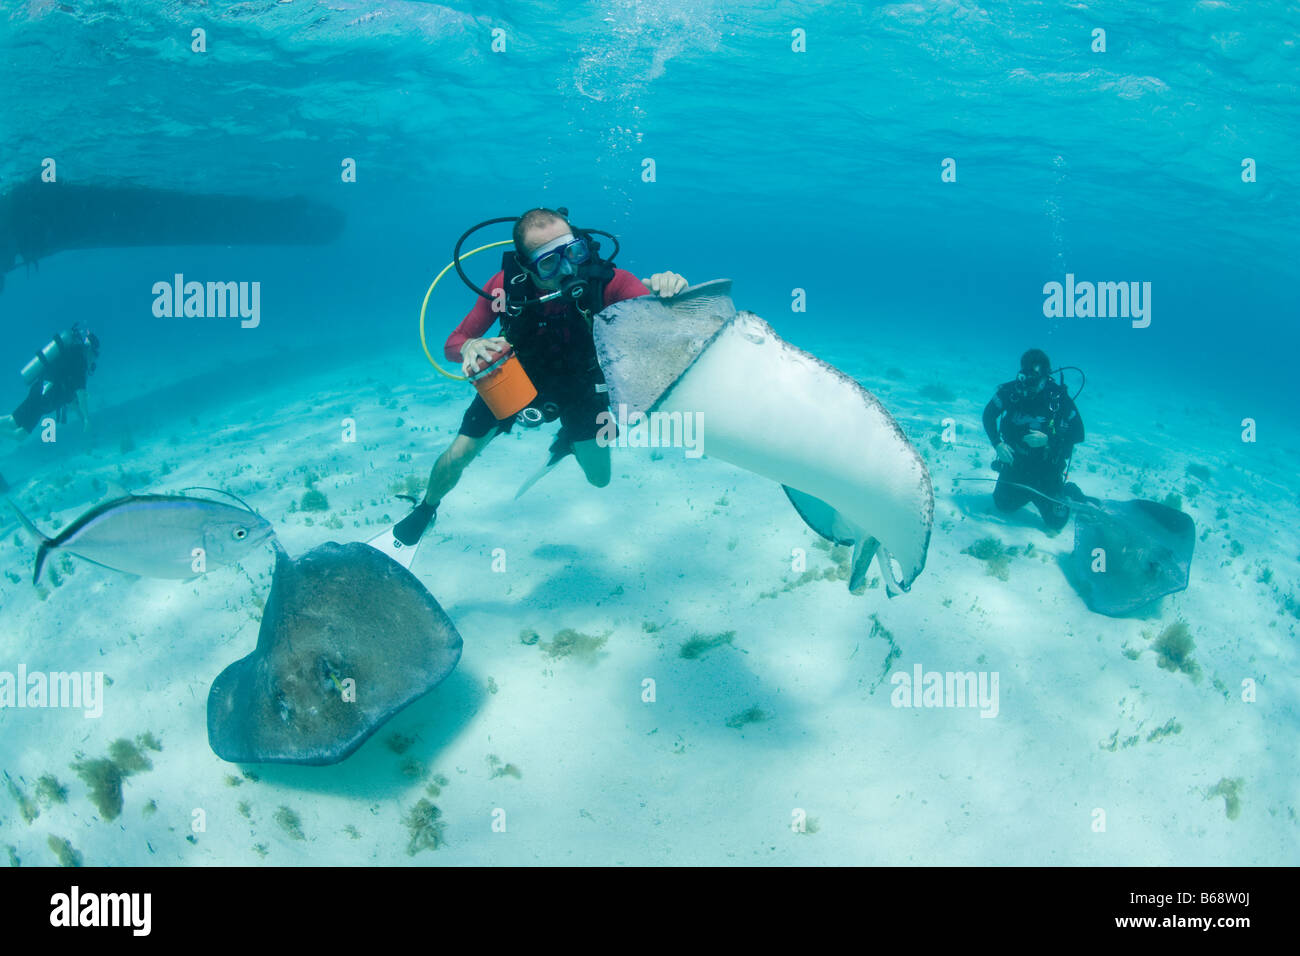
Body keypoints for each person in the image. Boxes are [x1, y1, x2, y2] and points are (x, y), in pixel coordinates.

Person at [392, 208, 687, 545]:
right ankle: (426, 509)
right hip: (516, 376)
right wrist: (471, 346)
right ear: (525, 264)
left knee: (600, 479)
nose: (567, 268)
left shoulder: (610, 282)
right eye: (549, 262)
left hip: (585, 385)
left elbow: (664, 325)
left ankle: (568, 444)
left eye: (573, 253)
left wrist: (670, 293)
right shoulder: (506, 287)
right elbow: (452, 344)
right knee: (459, 454)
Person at [981, 348, 1085, 531]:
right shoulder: (1011, 391)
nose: (1028, 385)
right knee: (1003, 505)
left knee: (1055, 523)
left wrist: (1049, 440)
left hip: (1047, 470)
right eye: (1025, 377)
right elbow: (988, 415)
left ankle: (1067, 491)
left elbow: (1078, 434)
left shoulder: (1059, 398)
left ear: (1046, 376)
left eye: (1034, 380)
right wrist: (997, 443)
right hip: (1016, 463)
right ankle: (1024, 491)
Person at [2, 326, 99, 441]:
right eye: (95, 354)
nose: (93, 359)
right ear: (90, 349)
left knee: (16, 427)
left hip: (42, 392)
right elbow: (81, 395)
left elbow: (72, 399)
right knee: (17, 429)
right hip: (44, 395)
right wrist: (87, 419)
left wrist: (83, 420)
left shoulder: (74, 356)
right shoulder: (80, 363)